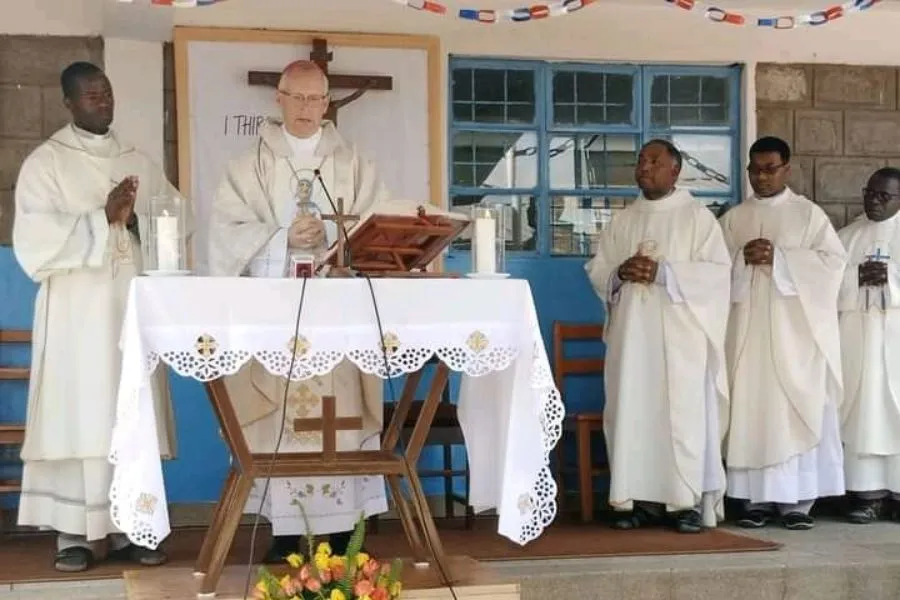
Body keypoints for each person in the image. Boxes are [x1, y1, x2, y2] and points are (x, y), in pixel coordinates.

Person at [207, 60, 389, 563]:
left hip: (336, 315)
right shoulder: (248, 166)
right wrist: (279, 238)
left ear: (328, 102)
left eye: (316, 98)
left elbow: (377, 226)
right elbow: (224, 231)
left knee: (339, 421)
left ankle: (343, 534)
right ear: (279, 99)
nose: (307, 108)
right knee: (282, 424)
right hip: (278, 316)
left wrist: (333, 238)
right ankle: (288, 536)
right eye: (298, 97)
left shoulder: (353, 163)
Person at [12, 62, 186, 572]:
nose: (102, 102)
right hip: (74, 316)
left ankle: (138, 525)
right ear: (68, 103)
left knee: (127, 415)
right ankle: (75, 533)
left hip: (128, 311)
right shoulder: (45, 164)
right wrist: (100, 218)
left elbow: (175, 220)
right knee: (79, 415)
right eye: (90, 96)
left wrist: (138, 223)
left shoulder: (138, 161)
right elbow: (32, 244)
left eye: (106, 94)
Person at [585, 139, 730, 533]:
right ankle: (633, 500)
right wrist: (619, 274)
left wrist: (665, 274)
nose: (644, 167)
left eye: (654, 161)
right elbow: (598, 269)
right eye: (641, 161)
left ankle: (681, 502)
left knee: (679, 416)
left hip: (680, 340)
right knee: (632, 412)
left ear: (675, 170)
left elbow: (719, 274)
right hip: (631, 340)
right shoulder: (623, 220)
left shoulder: (698, 218)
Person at [720, 136, 846, 530]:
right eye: (755, 169)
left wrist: (783, 260)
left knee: (792, 410)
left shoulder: (808, 216)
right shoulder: (733, 219)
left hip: (795, 337)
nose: (761, 176)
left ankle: (797, 504)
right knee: (753, 409)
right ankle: (756, 500)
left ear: (787, 169)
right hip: (748, 335)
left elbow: (833, 267)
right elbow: (713, 274)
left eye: (770, 169)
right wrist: (741, 261)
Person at [836, 167, 900, 523]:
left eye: (884, 196)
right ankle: (867, 495)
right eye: (870, 193)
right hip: (858, 340)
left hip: (896, 339)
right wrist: (857, 277)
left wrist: (889, 279)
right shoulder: (847, 237)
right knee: (864, 413)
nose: (874, 201)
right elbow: (824, 283)